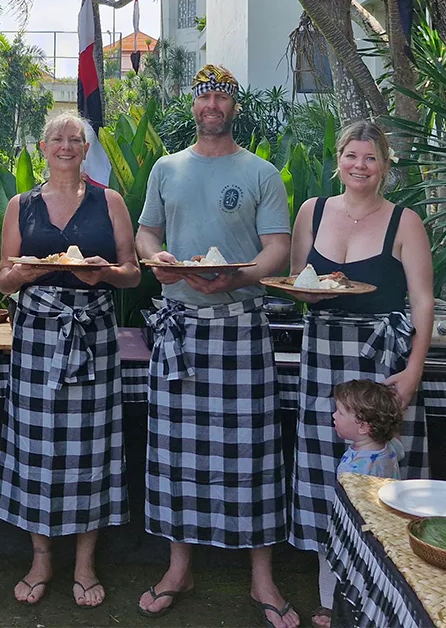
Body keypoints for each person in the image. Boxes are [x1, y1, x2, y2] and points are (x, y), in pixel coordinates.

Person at [135, 65, 297, 628]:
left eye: (221, 96)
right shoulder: (166, 167)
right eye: (204, 95)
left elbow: (278, 248)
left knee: (251, 451)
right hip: (179, 327)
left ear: (234, 106)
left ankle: (261, 577)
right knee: (175, 453)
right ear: (194, 103)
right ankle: (179, 567)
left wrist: (240, 276)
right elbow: (147, 232)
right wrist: (157, 258)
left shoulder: (260, 172)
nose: (211, 105)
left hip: (241, 325)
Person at [288, 119, 433, 628]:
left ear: (384, 165)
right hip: (322, 356)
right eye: (352, 155)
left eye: (371, 158)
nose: (360, 166)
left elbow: (422, 302)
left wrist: (413, 371)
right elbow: (298, 282)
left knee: (380, 481)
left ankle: (389, 598)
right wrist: (310, 292)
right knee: (323, 473)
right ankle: (332, 598)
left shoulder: (405, 222)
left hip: (380, 365)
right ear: (339, 158)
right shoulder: (313, 211)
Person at [0, 114, 140, 609]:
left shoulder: (110, 201)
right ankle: (40, 558)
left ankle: (84, 562)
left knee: (92, 448)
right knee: (35, 446)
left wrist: (106, 273)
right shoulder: (22, 205)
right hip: (37, 334)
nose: (65, 146)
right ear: (42, 146)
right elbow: (3, 281)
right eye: (56, 138)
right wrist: (28, 272)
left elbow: (132, 274)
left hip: (93, 334)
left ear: (84, 149)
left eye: (74, 139)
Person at [315, 379, 405, 626]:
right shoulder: (389, 447)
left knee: (350, 579)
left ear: (363, 426)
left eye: (341, 412)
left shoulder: (357, 469)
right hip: (384, 533)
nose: (334, 415)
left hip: (360, 538)